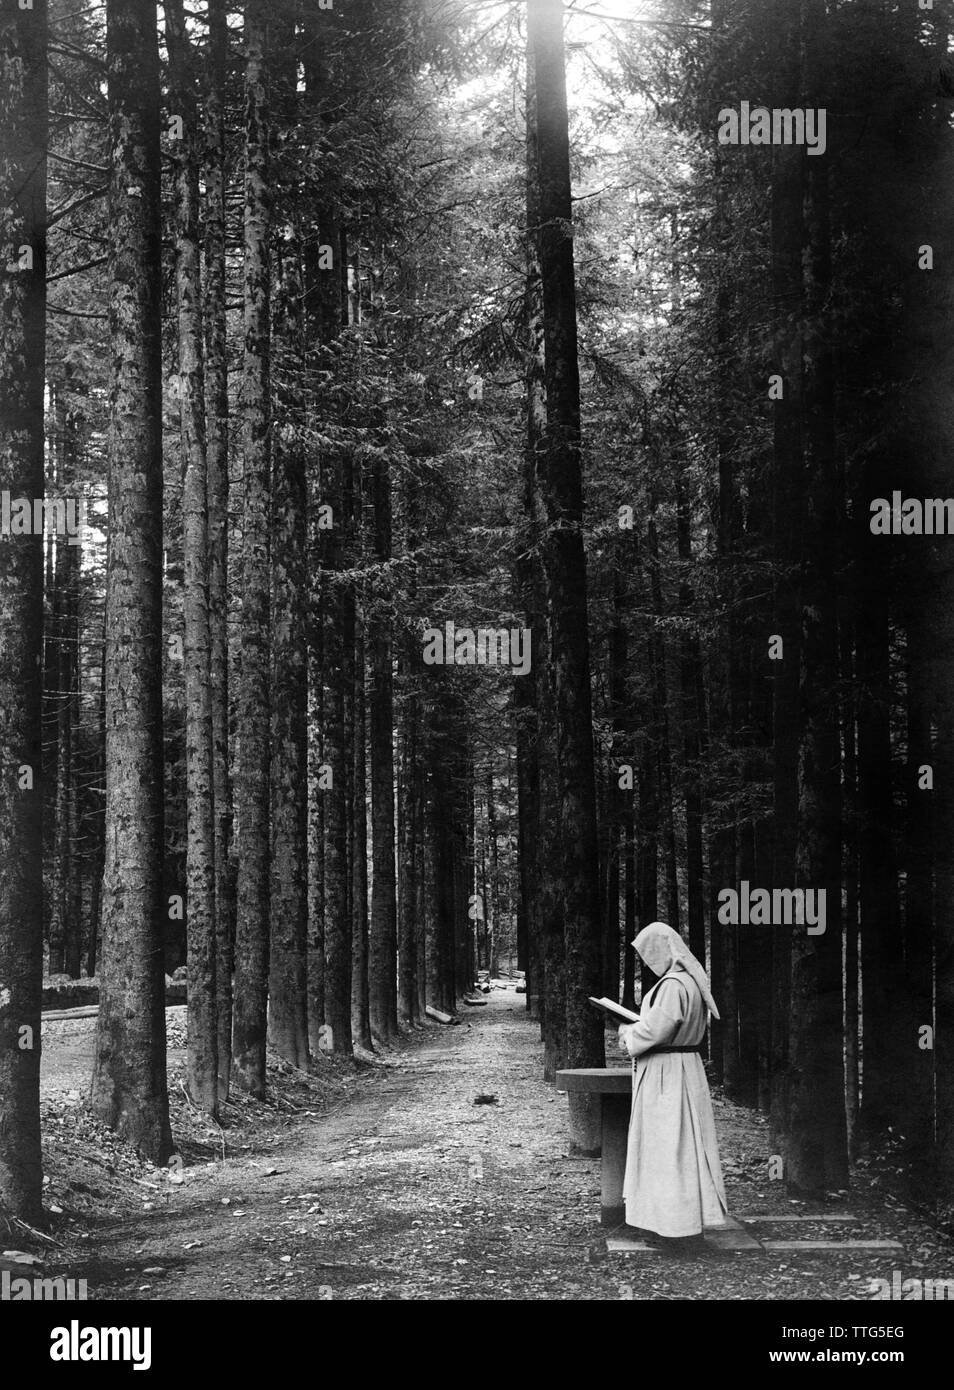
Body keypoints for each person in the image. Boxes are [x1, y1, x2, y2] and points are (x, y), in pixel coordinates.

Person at [616, 921, 727, 1249]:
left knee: (669, 1150)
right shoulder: (689, 982)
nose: (648, 963)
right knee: (680, 1148)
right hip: (681, 1069)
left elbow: (656, 1031)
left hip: (668, 1074)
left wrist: (627, 1034)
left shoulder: (673, 986)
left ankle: (675, 1229)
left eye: (649, 955)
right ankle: (675, 1223)